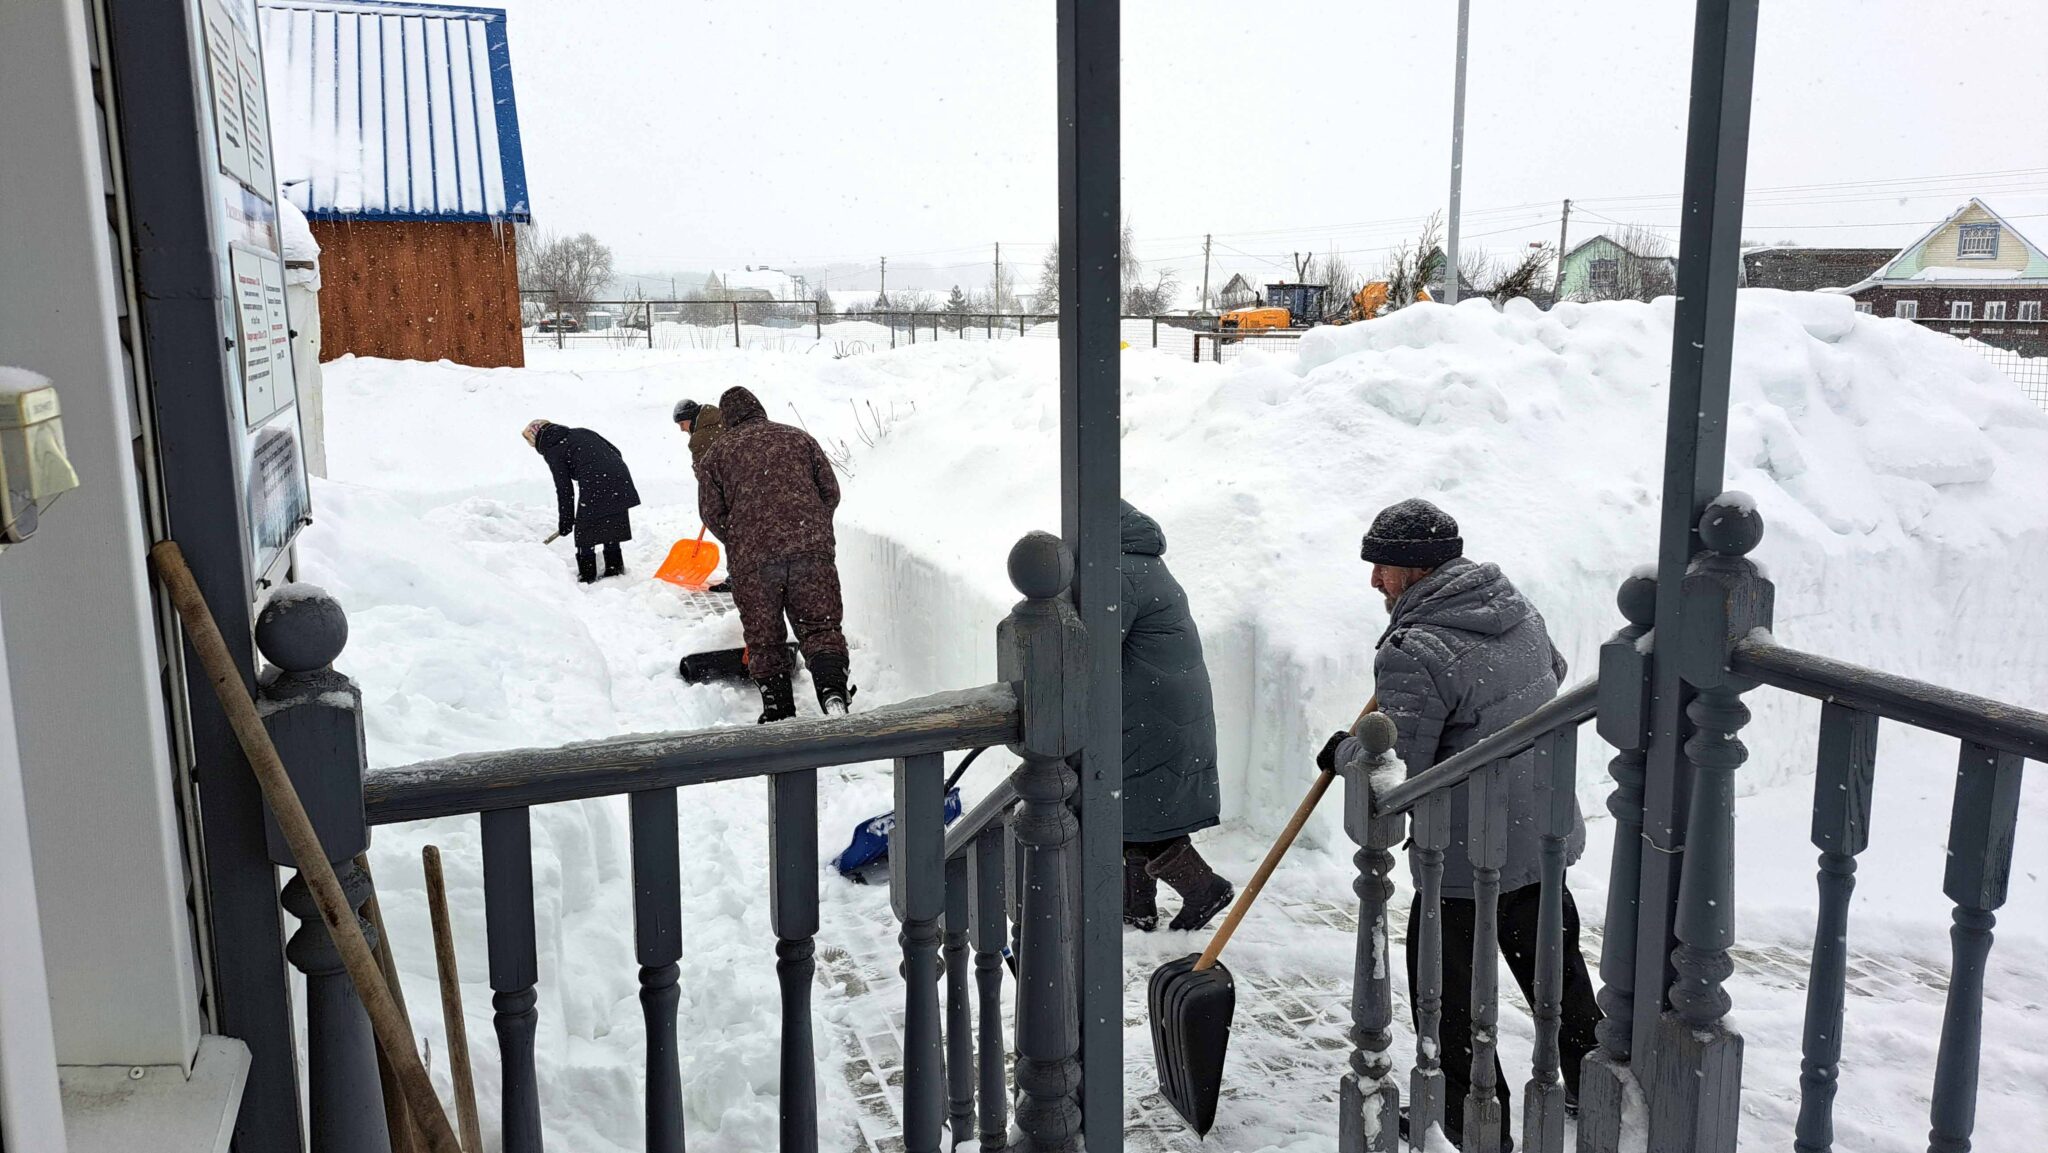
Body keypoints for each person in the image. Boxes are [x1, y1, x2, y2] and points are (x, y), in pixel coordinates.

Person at [1320, 497, 1601, 1152]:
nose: (1374, 581)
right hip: (1540, 832)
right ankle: (1597, 1086)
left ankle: (1472, 1122)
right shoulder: (1514, 608)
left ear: (1417, 569)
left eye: (1383, 567)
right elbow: (1554, 672)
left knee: (1448, 1004)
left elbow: (1398, 774)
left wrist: (1343, 753)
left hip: (1466, 856)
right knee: (1557, 975)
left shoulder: (1414, 648)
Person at [696, 385, 852, 722]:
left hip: (754, 563)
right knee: (820, 626)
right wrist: (810, 528)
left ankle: (779, 711)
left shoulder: (716, 454)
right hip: (811, 551)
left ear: (726, 418)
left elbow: (711, 514)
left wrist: (742, 538)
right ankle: (833, 692)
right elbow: (830, 492)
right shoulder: (799, 438)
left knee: (764, 637)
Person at [1119, 500, 1235, 933]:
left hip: (1152, 713)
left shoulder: (1121, 572)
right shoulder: (1144, 564)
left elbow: (1094, 646)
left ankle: (1205, 889)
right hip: (1165, 708)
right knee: (1139, 807)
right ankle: (1137, 907)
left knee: (1143, 807)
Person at [525, 419, 641, 584]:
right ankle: (615, 569)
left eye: (531, 443)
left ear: (536, 438)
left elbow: (564, 489)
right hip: (619, 475)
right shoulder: (581, 431)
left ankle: (587, 576)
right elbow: (616, 451)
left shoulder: (553, 450)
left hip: (596, 481)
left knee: (585, 529)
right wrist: (604, 471)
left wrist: (566, 521)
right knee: (612, 521)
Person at [674, 397, 724, 471]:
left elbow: (704, 474)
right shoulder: (722, 419)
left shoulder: (698, 440)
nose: (682, 429)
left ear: (691, 418)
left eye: (682, 424)